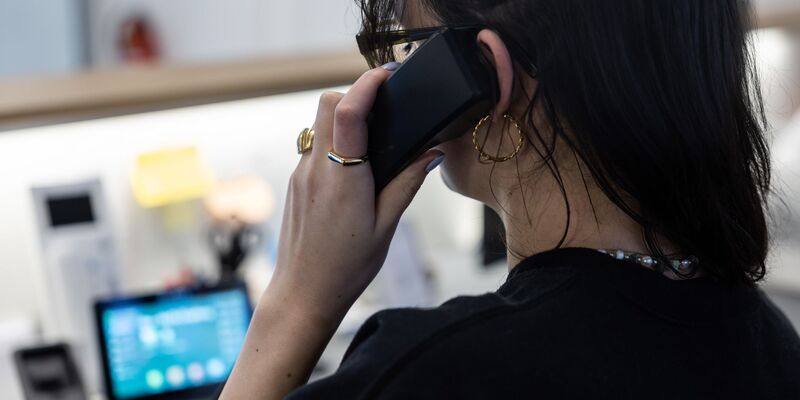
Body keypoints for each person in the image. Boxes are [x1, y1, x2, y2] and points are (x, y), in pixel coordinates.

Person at [219, 0, 800, 398]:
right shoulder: (770, 341)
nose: (394, 72)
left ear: (486, 70)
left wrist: (296, 301)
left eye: (405, 48)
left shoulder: (433, 371)